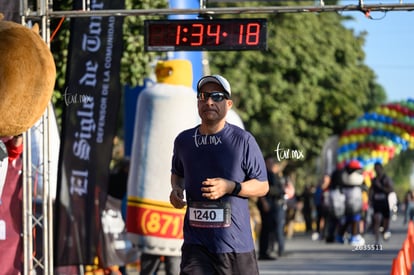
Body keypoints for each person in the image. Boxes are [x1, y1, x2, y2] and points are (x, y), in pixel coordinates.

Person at [169, 75, 269, 274]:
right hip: (195, 246)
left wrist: (231, 186)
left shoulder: (243, 141)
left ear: (229, 104)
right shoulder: (184, 141)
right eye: (203, 96)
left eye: (217, 96)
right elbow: (177, 173)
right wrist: (176, 189)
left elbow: (262, 186)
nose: (209, 102)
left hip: (234, 246)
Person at [257, 156, 286, 260]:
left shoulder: (274, 175)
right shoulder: (262, 173)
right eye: (268, 162)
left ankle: (267, 251)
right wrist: (264, 202)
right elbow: (260, 190)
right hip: (266, 204)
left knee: (270, 229)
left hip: (273, 204)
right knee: (266, 229)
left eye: (272, 162)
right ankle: (263, 252)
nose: (271, 164)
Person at [370, 162, 394, 244]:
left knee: (385, 222)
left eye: (378, 168)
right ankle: (376, 240)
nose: (377, 170)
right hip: (376, 203)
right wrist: (370, 200)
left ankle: (385, 230)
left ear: (381, 169)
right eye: (375, 169)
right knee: (377, 220)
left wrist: (381, 187)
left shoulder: (386, 179)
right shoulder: (373, 180)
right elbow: (371, 191)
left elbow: (391, 190)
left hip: (385, 203)